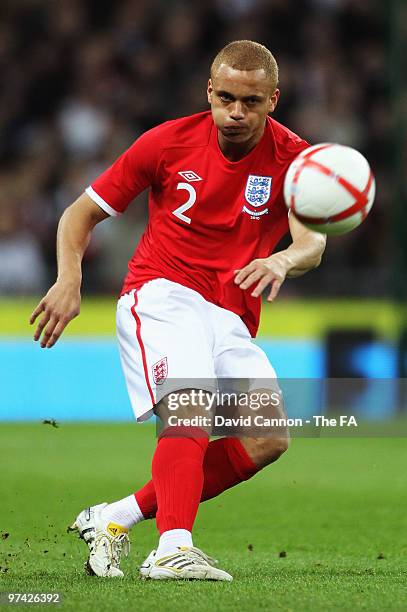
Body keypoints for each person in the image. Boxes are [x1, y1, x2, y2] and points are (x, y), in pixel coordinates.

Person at [30, 40, 326, 581]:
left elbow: (313, 243)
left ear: (273, 101)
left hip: (230, 314)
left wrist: (284, 260)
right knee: (189, 407)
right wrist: (68, 278)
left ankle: (114, 518)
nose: (236, 112)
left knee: (266, 438)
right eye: (227, 98)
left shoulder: (297, 161)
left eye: (251, 102)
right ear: (209, 92)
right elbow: (80, 213)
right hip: (162, 292)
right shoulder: (166, 142)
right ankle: (172, 547)